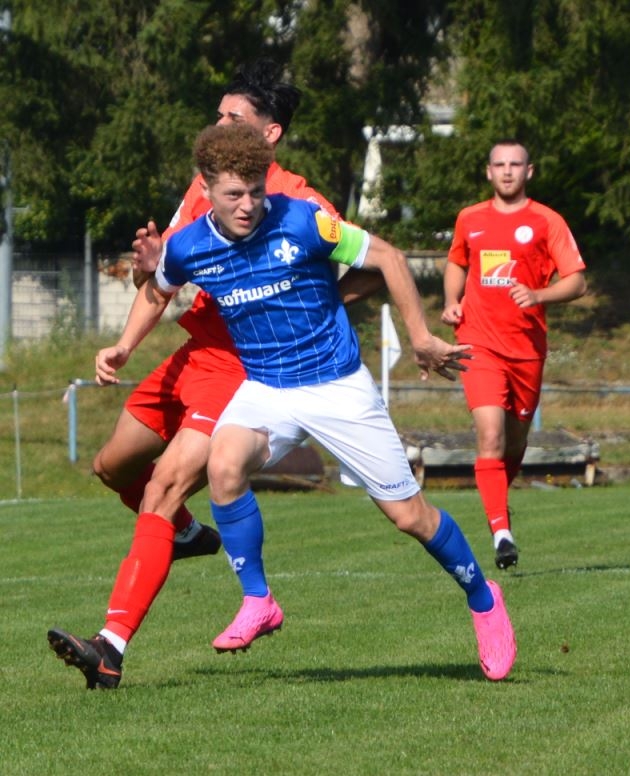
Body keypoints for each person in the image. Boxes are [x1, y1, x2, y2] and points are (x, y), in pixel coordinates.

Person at [95, 124, 516, 680]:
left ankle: (483, 598)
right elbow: (158, 287)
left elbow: (388, 257)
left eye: (255, 191)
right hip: (266, 388)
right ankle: (258, 600)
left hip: (336, 386)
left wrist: (419, 336)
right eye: (233, 194)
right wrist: (125, 346)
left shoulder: (303, 220)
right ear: (206, 188)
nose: (247, 205)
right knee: (223, 463)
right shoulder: (190, 244)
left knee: (409, 516)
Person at [48, 60, 381, 690]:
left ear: (270, 134)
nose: (220, 123)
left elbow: (371, 265)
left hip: (242, 369)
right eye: (219, 113)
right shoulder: (206, 184)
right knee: (112, 467)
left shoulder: (300, 201)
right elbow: (165, 274)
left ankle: (109, 648)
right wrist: (125, 338)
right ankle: (186, 536)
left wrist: (316, 307)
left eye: (235, 117)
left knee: (163, 486)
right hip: (192, 353)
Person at [442, 140, 587, 571]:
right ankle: (501, 532)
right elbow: (457, 262)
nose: (507, 171)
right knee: (489, 435)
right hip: (478, 342)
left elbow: (577, 281)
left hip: (526, 349)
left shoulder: (547, 221)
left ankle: (497, 504)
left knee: (514, 440)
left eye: (515, 164)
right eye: (500, 164)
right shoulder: (470, 218)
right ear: (489, 171)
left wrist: (539, 294)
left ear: (529, 171)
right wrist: (451, 301)